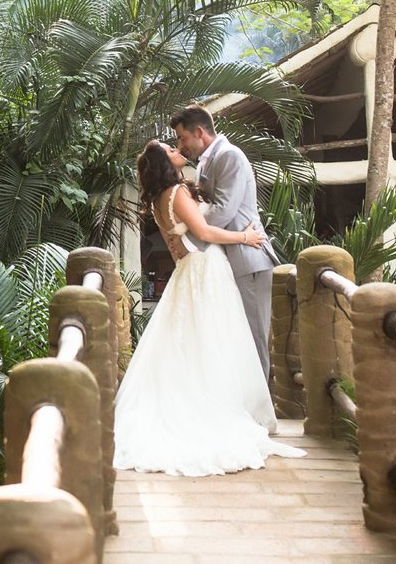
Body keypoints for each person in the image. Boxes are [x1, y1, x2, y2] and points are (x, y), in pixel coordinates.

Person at [112, 140, 304, 477]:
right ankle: (215, 411)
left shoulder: (158, 201)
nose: (176, 149)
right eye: (170, 149)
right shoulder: (176, 193)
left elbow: (180, 240)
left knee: (194, 344)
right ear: (165, 163)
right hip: (205, 270)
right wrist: (245, 239)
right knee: (215, 341)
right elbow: (203, 231)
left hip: (187, 272)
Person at [171, 104, 278, 378]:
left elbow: (224, 211)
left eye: (182, 138)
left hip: (247, 257)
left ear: (199, 132)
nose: (181, 146)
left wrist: (189, 234)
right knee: (236, 340)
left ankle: (260, 412)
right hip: (226, 259)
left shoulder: (229, 156)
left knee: (253, 339)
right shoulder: (208, 159)